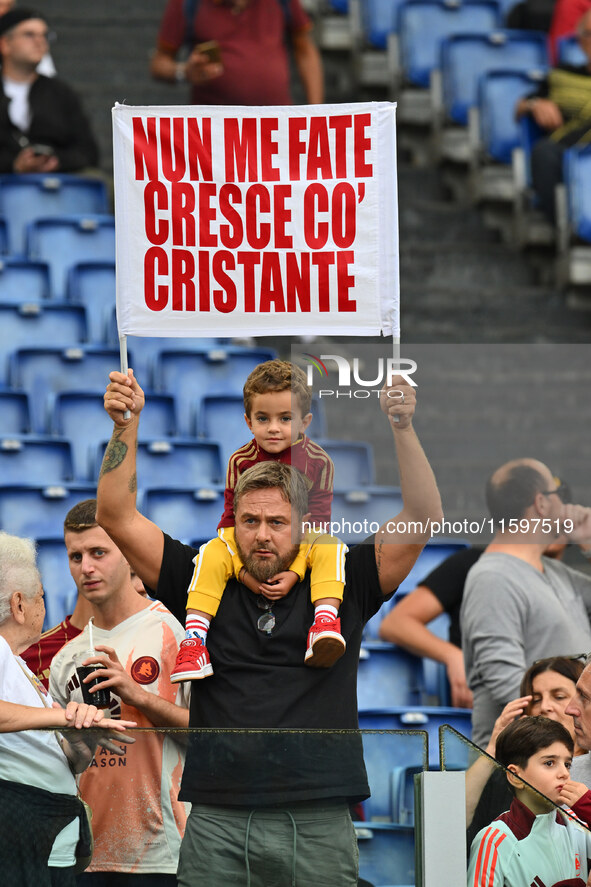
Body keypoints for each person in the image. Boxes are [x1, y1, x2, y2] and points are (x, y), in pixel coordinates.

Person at [97, 367, 443, 887]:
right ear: (232, 521)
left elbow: (423, 516)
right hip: (216, 815)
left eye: (278, 523)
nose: (262, 535)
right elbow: (115, 514)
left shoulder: (343, 578)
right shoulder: (200, 576)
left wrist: (401, 426)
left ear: (304, 526)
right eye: (250, 521)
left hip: (320, 815)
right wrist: (126, 424)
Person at [171, 359, 347, 682]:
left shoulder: (320, 463)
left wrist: (295, 572)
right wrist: (241, 572)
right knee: (209, 551)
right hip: (246, 548)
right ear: (248, 421)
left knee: (333, 547)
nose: (274, 428)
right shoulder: (239, 461)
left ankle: (324, 621)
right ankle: (194, 642)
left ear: (305, 421)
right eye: (263, 418)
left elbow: (318, 525)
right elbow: (228, 524)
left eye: (285, 418)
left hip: (301, 544)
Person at [49, 499, 190, 885]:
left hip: (162, 853)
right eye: (75, 556)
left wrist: (139, 696)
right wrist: (82, 744)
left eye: (98, 552)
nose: (87, 568)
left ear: (129, 555)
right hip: (90, 854)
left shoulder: (173, 632)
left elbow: (211, 736)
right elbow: (65, 767)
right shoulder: (66, 659)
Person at [0, 530, 135, 887]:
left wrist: (80, 740)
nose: (43, 606)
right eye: (40, 597)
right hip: (19, 834)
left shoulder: (17, 664)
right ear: (18, 605)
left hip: (45, 837)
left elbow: (52, 753)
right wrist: (64, 716)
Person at [460, 458, 591, 748]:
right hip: (524, 766)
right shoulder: (492, 578)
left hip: (565, 759)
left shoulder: (554, 570)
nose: (568, 504)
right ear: (542, 503)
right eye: (559, 495)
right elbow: (511, 687)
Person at [466, 656, 588, 846]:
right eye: (536, 699)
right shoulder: (510, 773)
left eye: (559, 697)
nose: (544, 707)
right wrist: (492, 750)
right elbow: (454, 826)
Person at [467, 717, 591, 886]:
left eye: (567, 764)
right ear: (515, 776)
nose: (564, 773)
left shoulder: (579, 822)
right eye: (549, 763)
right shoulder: (493, 841)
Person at [150, 0, 324, 106]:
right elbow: (159, 63)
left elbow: (305, 50)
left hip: (275, 129)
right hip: (215, 135)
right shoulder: (187, 3)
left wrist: (317, 115)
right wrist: (184, 72)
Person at [379, 545, 484, 708]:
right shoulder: (472, 563)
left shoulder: (538, 574)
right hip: (473, 708)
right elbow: (394, 623)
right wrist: (453, 656)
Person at [0, 8, 99, 174]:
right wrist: (14, 165)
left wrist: (54, 161)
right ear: (5, 44)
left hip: (57, 188)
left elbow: (88, 151)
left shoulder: (61, 93)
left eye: (44, 35)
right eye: (29, 34)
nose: (40, 41)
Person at [515, 9, 591, 221]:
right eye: (590, 34)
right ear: (580, 40)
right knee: (544, 152)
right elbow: (520, 106)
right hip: (572, 151)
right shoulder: (562, 75)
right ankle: (567, 226)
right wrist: (534, 103)